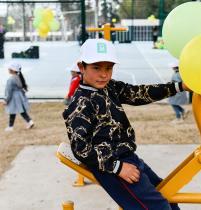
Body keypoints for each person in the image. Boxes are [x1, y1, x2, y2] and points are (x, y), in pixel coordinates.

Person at [62, 39, 190, 210]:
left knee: (168, 195)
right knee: (159, 207)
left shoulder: (110, 87)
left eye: (109, 67)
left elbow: (138, 93)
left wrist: (178, 86)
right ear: (82, 67)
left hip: (128, 157)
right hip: (112, 167)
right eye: (96, 67)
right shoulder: (79, 105)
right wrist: (118, 167)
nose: (104, 74)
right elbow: (81, 149)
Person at [4, 62, 34, 131]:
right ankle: (30, 121)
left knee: (12, 112)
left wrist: (6, 100)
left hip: (14, 98)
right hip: (20, 97)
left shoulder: (10, 79)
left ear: (13, 70)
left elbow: (8, 91)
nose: (8, 69)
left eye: (9, 68)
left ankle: (10, 127)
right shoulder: (19, 77)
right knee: (22, 111)